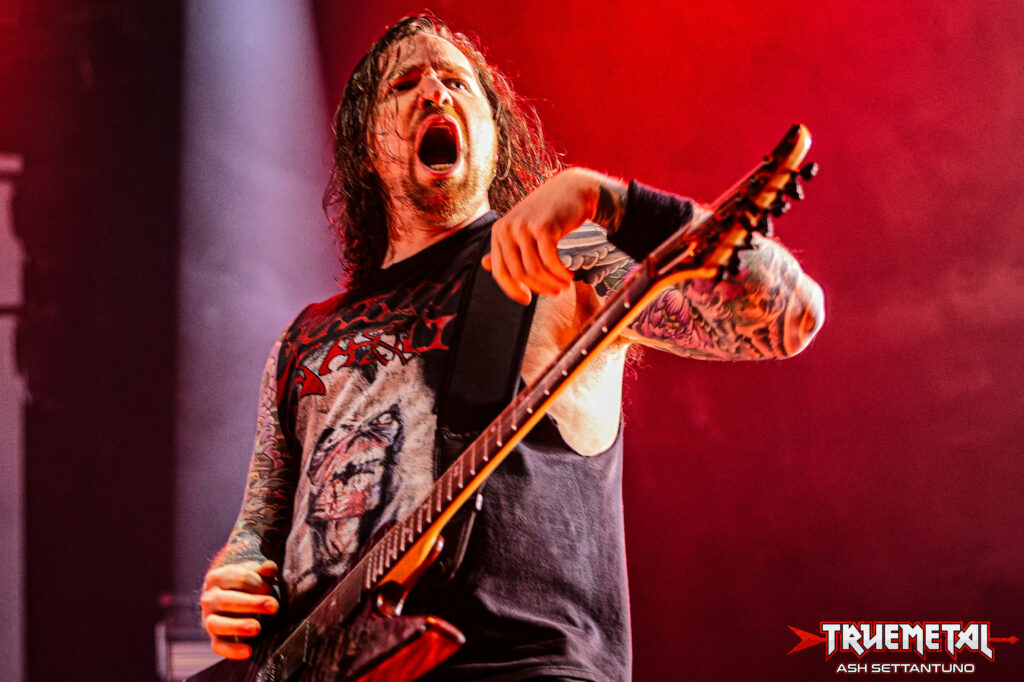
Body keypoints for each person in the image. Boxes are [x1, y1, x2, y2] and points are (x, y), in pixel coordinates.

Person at [198, 14, 824, 681]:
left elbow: (788, 319)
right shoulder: (305, 338)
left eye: (457, 82)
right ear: (366, 144)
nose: (434, 92)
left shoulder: (564, 259)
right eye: (405, 84)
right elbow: (259, 528)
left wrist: (612, 202)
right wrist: (235, 580)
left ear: (493, 134)